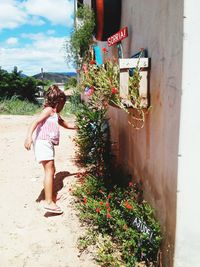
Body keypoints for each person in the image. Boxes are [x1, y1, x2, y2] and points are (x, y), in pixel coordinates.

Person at [24, 85, 76, 214]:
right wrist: (28, 137)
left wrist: (83, 125)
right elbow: (34, 122)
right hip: (43, 142)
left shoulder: (55, 114)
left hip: (47, 143)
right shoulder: (48, 110)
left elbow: (67, 125)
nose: (63, 106)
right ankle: (49, 203)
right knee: (49, 170)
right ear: (58, 102)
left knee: (52, 170)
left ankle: (50, 196)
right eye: (63, 103)